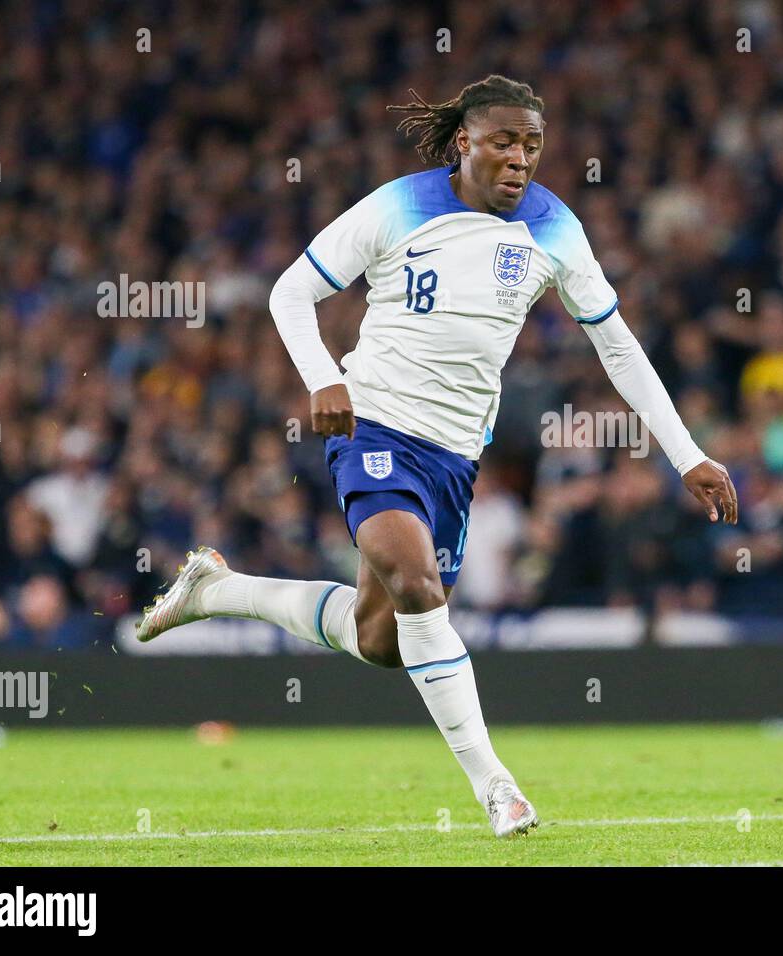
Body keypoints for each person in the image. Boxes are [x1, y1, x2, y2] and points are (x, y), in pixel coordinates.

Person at [135, 75, 738, 837]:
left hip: (455, 457)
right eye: (504, 142)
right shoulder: (398, 205)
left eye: (532, 145)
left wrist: (685, 455)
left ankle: (217, 591)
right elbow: (289, 293)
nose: (521, 159)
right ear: (464, 143)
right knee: (418, 585)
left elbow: (617, 347)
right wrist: (325, 378)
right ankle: (498, 788)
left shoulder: (554, 229)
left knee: (380, 640)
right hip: (374, 427)